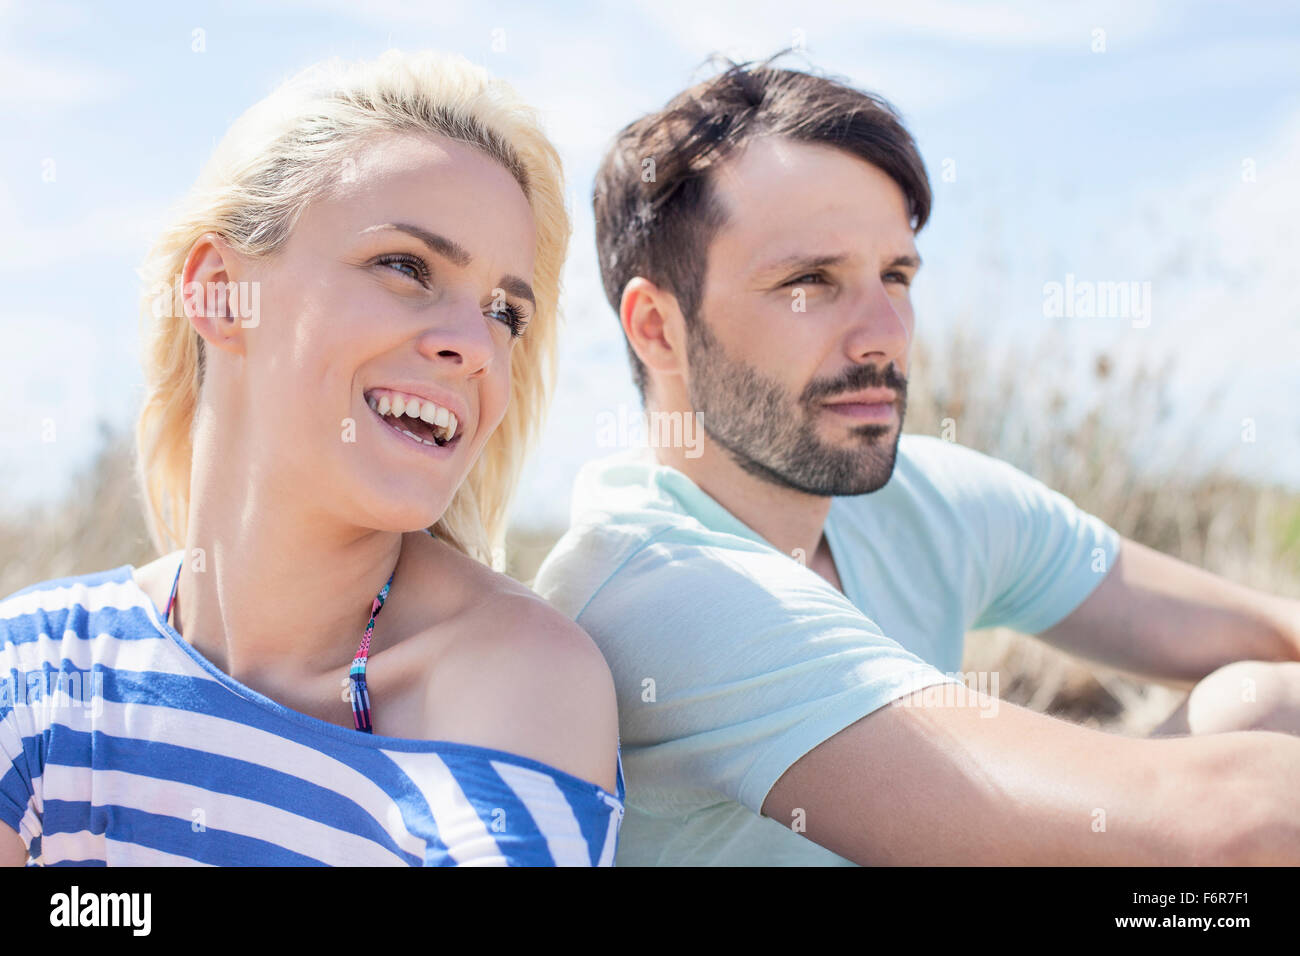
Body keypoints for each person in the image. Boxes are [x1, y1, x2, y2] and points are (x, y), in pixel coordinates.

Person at [532, 53, 1300, 865]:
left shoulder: (923, 496)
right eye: (810, 281)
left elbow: (1275, 639)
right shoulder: (657, 595)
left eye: (895, 275)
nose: (885, 336)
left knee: (1268, 700)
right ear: (657, 327)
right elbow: (1233, 825)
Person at [0, 50, 623, 866]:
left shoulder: (518, 683)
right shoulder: (41, 673)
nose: (474, 346)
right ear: (221, 292)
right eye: (405, 267)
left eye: (505, 312)